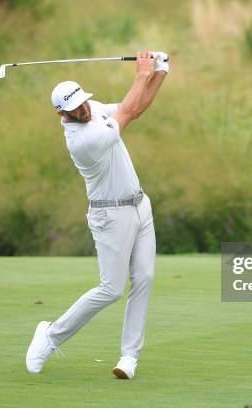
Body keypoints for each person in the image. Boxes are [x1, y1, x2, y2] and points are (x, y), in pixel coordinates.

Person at [25, 51, 169, 379]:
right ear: (61, 113)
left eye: (84, 101)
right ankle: (50, 334)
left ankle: (129, 357)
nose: (84, 108)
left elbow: (135, 107)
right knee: (111, 289)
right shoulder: (82, 141)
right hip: (110, 217)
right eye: (75, 107)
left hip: (138, 205)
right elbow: (130, 110)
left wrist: (160, 72)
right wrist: (142, 72)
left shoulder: (93, 111)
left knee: (144, 278)